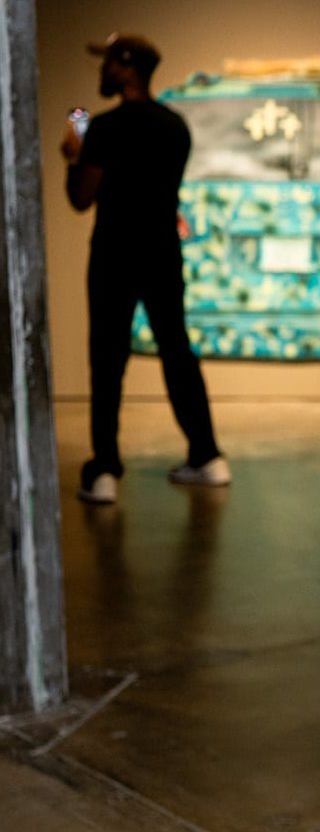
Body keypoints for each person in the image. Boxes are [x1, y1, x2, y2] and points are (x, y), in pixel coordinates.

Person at [63, 32, 227, 504]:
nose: (102, 71)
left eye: (109, 63)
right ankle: (207, 454)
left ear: (127, 67)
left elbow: (80, 198)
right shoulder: (176, 127)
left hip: (114, 254)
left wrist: (75, 157)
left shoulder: (105, 129)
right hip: (161, 253)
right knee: (177, 350)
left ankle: (104, 470)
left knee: (107, 359)